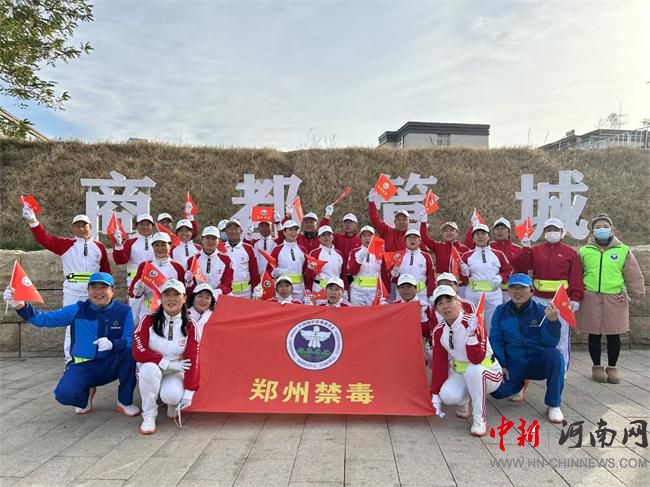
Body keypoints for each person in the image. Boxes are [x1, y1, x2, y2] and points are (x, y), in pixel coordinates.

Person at [4, 272, 139, 416]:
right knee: (64, 394)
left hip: (111, 364)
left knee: (130, 353)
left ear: (112, 290)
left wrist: (113, 344)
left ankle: (124, 401)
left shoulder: (123, 311)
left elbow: (130, 339)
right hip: (84, 366)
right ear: (88, 291)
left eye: (103, 287)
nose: (98, 292)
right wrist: (21, 306)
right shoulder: (77, 309)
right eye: (93, 287)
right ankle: (85, 395)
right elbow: (44, 319)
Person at [21, 208, 111, 364]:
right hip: (72, 289)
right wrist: (33, 221)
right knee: (71, 323)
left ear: (90, 227)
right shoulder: (65, 244)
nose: (81, 228)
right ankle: (70, 359)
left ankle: (94, 357)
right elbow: (44, 239)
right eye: (77, 225)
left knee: (95, 322)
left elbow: (106, 271)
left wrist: (108, 290)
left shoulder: (99, 246)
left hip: (94, 290)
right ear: (73, 228)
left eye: (84, 225)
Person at [577, 214, 645, 383]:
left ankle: (612, 367)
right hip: (591, 297)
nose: (602, 229)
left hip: (615, 298)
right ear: (593, 231)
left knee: (614, 334)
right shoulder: (585, 251)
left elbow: (633, 273)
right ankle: (597, 366)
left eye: (605, 227)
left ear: (611, 229)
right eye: (598, 227)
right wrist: (575, 294)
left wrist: (637, 292)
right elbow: (577, 274)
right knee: (594, 334)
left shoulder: (623, 250)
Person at [490, 274, 565, 423]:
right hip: (514, 362)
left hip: (536, 361)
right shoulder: (500, 311)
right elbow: (496, 340)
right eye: (513, 288)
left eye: (522, 288)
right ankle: (519, 384)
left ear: (531, 291)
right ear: (508, 291)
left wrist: (553, 323)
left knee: (555, 356)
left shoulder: (542, 311)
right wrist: (501, 364)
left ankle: (553, 405)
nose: (518, 292)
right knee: (497, 392)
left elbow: (551, 343)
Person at [430, 285, 503, 436]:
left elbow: (477, 359)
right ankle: (464, 401)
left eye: (449, 300)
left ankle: (479, 419)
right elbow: (439, 365)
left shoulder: (473, 322)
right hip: (463, 373)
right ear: (436, 309)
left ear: (458, 301)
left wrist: (471, 335)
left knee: (473, 370)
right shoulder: (439, 331)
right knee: (447, 395)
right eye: (440, 303)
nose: (445, 306)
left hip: (489, 373)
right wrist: (435, 394)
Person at [514, 217, 584, 374]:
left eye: (555, 230)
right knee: (536, 332)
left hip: (561, 300)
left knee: (562, 335)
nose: (552, 232)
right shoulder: (536, 250)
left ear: (562, 232)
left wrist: (576, 297)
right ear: (544, 232)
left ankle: (561, 370)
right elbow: (521, 267)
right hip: (538, 299)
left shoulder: (570, 253)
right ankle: (539, 367)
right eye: (548, 230)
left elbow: (576, 277)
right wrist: (525, 249)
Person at [132, 279, 200, 435]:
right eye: (167, 294)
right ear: (161, 298)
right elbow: (138, 351)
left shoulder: (190, 324)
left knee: (172, 396)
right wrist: (164, 362)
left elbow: (193, 359)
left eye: (176, 295)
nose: (171, 299)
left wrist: (189, 392)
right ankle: (149, 415)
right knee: (149, 369)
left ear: (184, 298)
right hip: (152, 366)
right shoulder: (148, 319)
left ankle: (170, 402)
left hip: (175, 369)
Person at [460, 224, 512, 333]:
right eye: (477, 234)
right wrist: (464, 272)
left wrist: (500, 277)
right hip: (473, 295)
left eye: (483, 234)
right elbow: (462, 277)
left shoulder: (498, 254)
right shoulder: (467, 255)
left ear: (488, 236)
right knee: (472, 324)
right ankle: (475, 343)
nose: (480, 236)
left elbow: (508, 269)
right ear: (473, 238)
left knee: (493, 325)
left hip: (493, 295)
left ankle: (491, 344)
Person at [129, 232, 185, 322]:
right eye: (156, 245)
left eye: (163, 245)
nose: (160, 248)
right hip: (147, 312)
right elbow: (132, 292)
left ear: (170, 246)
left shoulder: (177, 267)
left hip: (170, 313)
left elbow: (184, 293)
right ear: (152, 246)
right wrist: (137, 291)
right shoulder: (145, 265)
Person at [390, 229, 436, 303]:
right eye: (409, 237)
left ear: (419, 241)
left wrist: (431, 295)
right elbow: (393, 280)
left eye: (415, 237)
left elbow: (431, 277)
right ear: (405, 241)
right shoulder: (398, 256)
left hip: (421, 295)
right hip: (402, 296)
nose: (412, 240)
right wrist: (394, 275)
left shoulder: (426, 256)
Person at [185, 226, 233, 295]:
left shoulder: (226, 259)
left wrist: (218, 292)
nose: (210, 241)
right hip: (199, 298)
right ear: (202, 239)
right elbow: (191, 285)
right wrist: (190, 283)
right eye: (207, 238)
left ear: (218, 241)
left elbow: (227, 283)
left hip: (219, 297)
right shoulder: (192, 260)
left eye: (213, 238)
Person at [112, 213, 155, 289]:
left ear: (152, 226)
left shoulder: (159, 242)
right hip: (134, 282)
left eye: (148, 224)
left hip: (155, 280)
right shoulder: (130, 242)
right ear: (137, 226)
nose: (145, 227)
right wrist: (118, 245)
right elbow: (120, 260)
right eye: (141, 224)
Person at [268, 220, 308, 302]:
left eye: (295, 230)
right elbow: (269, 269)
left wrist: (307, 289)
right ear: (284, 232)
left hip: (299, 290)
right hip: (283, 290)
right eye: (290, 230)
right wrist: (274, 273)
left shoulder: (303, 250)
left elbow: (306, 271)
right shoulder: (277, 250)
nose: (293, 232)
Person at [347, 226, 384, 306]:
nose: (367, 238)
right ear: (360, 238)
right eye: (364, 236)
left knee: (374, 313)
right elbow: (351, 271)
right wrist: (358, 260)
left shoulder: (380, 251)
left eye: (369, 235)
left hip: (374, 291)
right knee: (358, 313)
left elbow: (384, 272)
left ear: (374, 237)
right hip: (357, 291)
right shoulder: (354, 252)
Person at [222, 219, 260, 298]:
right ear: (226, 232)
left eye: (236, 229)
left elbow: (254, 272)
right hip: (226, 293)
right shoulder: (220, 248)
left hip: (245, 293)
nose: (233, 231)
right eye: (230, 229)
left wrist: (256, 290)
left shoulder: (248, 248)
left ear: (241, 231)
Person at [489, 218, 523, 302]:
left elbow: (523, 269)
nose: (500, 231)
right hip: (492, 291)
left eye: (503, 228)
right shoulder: (488, 247)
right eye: (497, 229)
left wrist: (527, 250)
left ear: (508, 232)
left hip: (511, 291)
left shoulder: (518, 249)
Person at [306, 226, 346, 295]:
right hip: (319, 289)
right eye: (323, 235)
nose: (326, 237)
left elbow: (343, 274)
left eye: (329, 234)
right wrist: (308, 289)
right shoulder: (314, 253)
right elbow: (309, 275)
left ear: (332, 237)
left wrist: (345, 289)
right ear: (319, 238)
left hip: (336, 289)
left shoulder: (339, 254)